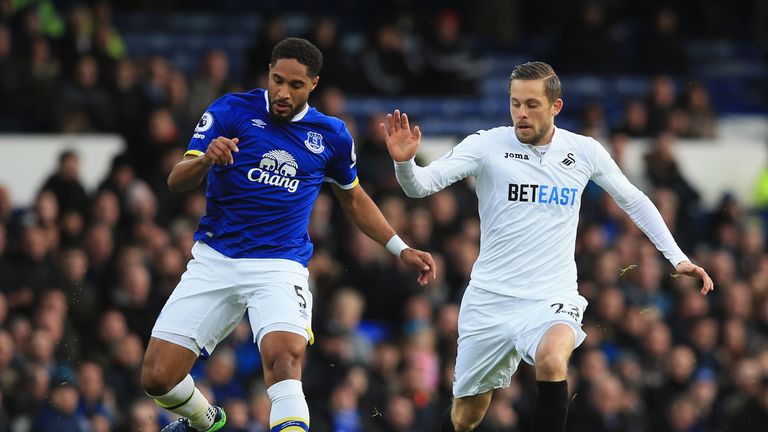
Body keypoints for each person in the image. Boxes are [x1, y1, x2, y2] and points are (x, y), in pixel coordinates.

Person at [379, 61, 713, 432]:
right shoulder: (487, 145)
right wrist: (405, 163)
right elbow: (420, 187)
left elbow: (633, 199)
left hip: (551, 296)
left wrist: (678, 258)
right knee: (466, 417)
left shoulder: (583, 151)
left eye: (532, 104)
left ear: (555, 106)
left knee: (552, 360)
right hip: (490, 298)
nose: (521, 113)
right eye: (515, 103)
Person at [141, 37, 437, 432]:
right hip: (216, 258)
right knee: (157, 378)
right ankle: (204, 420)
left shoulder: (331, 135)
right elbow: (177, 180)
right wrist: (207, 159)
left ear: (313, 83)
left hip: (280, 266)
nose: (282, 92)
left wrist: (400, 248)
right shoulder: (231, 109)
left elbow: (354, 200)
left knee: (285, 360)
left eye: (294, 85)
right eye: (276, 80)